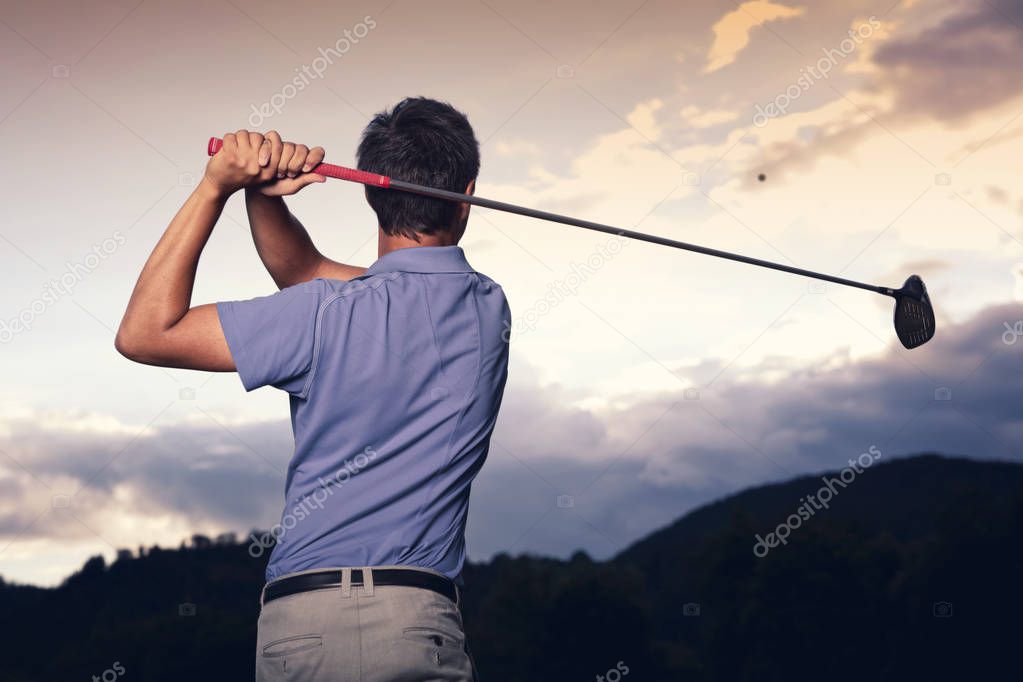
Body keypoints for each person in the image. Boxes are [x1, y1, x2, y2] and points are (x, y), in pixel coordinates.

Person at [115, 97, 510, 681]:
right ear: (468, 194)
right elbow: (306, 272)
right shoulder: (487, 308)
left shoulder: (322, 314)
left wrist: (217, 188)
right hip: (420, 625)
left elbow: (146, 333)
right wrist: (261, 194)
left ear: (371, 193)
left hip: (307, 627)